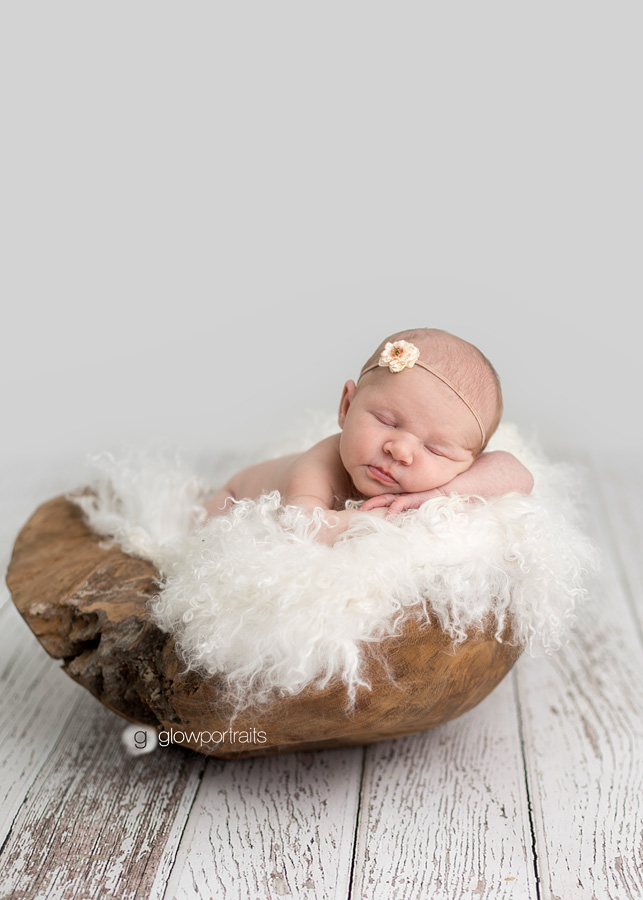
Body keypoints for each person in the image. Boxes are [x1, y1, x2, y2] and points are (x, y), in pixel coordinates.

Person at [205, 328, 534, 544]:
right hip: (227, 501)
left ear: (467, 464)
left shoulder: (441, 481)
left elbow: (519, 475)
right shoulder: (320, 465)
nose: (400, 450)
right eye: (388, 422)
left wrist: (438, 495)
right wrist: (378, 522)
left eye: (435, 449)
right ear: (347, 406)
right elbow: (300, 527)